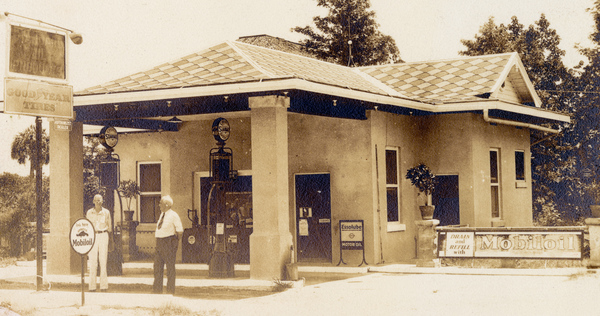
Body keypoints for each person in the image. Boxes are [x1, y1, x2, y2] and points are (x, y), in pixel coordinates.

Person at [153, 195, 183, 294]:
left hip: (168, 243)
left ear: (166, 204)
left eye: (161, 203)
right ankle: (157, 291)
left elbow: (180, 231)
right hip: (159, 243)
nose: (159, 205)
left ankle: (170, 291)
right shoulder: (162, 214)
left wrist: (173, 244)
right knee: (157, 268)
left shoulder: (173, 215)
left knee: (170, 269)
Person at [86, 194, 112, 292]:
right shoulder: (89, 213)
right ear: (93, 201)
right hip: (92, 236)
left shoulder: (106, 212)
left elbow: (109, 227)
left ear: (102, 201)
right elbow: (87, 226)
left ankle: (103, 286)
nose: (98, 202)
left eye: (99, 200)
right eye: (96, 200)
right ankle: (92, 287)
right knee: (92, 262)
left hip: (103, 235)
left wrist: (110, 241)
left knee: (103, 261)